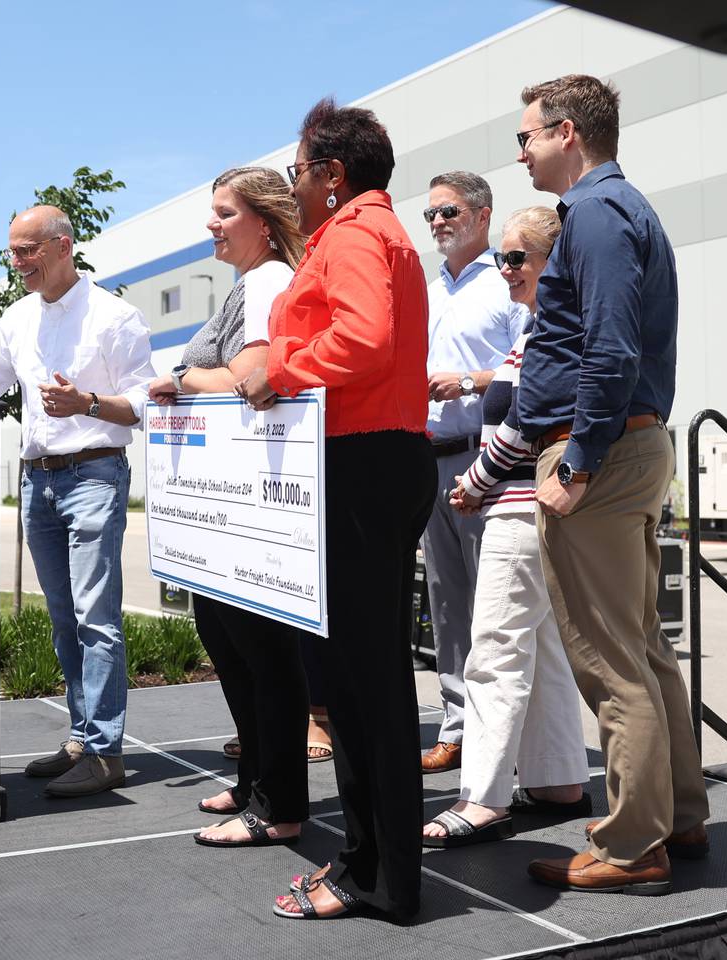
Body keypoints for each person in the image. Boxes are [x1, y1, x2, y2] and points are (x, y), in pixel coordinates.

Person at [236, 97, 434, 921]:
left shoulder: (354, 233)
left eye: (298, 170)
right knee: (368, 681)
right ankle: (374, 865)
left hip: (364, 464)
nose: (295, 184)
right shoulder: (371, 232)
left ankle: (377, 875)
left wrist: (278, 373)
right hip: (374, 461)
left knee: (364, 685)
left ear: (332, 175)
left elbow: (364, 339)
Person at [513, 75, 709, 895]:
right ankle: (679, 816)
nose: (520, 151)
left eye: (526, 136)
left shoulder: (592, 214)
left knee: (609, 657)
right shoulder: (625, 210)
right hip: (634, 444)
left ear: (567, 132)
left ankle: (633, 847)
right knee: (643, 645)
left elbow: (611, 347)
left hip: (600, 452)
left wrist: (580, 462)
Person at [0, 204, 154, 798]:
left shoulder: (115, 316)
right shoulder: (17, 318)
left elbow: (144, 406)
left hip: (94, 474)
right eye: (12, 253)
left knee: (94, 617)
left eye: (27, 251)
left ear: (62, 246)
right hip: (37, 480)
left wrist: (87, 404)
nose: (17, 263)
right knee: (61, 618)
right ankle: (81, 738)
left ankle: (105, 753)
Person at [144, 166, 312, 846]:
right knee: (229, 642)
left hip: (252, 499)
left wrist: (182, 380)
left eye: (223, 213)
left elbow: (252, 378)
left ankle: (279, 804)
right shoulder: (247, 285)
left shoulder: (269, 281)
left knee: (262, 653)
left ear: (264, 223)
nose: (211, 224)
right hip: (226, 499)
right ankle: (256, 783)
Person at [421, 206, 591, 848]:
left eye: (518, 258)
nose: (505, 268)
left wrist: (477, 480)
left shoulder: (551, 328)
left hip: (517, 500)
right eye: (503, 258)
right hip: (526, 500)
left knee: (493, 651)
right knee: (542, 649)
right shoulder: (542, 325)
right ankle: (558, 782)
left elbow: (525, 418)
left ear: (556, 262)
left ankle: (482, 798)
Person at [417, 172, 530, 775]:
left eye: (449, 211)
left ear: (482, 215)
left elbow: (530, 369)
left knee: (496, 607)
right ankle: (458, 727)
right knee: (447, 604)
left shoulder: (507, 282)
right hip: (429, 460)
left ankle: (504, 739)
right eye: (431, 214)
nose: (437, 222)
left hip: (487, 463)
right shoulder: (426, 290)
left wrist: (467, 381)